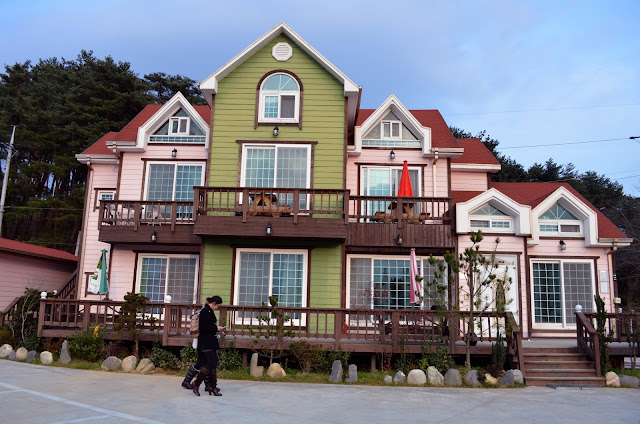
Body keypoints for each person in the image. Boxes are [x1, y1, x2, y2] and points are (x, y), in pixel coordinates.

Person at [191, 296, 224, 396]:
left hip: (210, 341)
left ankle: (213, 387)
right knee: (210, 364)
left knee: (213, 364)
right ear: (214, 303)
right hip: (205, 342)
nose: (218, 308)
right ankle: (196, 384)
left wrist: (216, 329)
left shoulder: (209, 311)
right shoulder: (205, 311)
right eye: (218, 306)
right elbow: (203, 327)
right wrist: (216, 328)